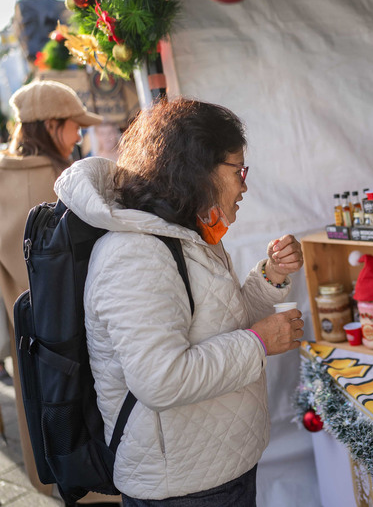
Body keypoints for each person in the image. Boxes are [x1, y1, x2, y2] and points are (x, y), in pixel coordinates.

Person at [53, 98, 305, 506]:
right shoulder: (135, 254)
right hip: (182, 488)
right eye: (237, 170)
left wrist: (270, 277)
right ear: (196, 171)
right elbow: (161, 378)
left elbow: (222, 321)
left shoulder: (185, 234)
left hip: (215, 467)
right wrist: (259, 342)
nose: (244, 184)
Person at [0, 80, 102, 494]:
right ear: (52, 125)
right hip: (82, 342)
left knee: (49, 444)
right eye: (74, 124)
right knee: (93, 449)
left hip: (27, 347)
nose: (79, 134)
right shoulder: (70, 185)